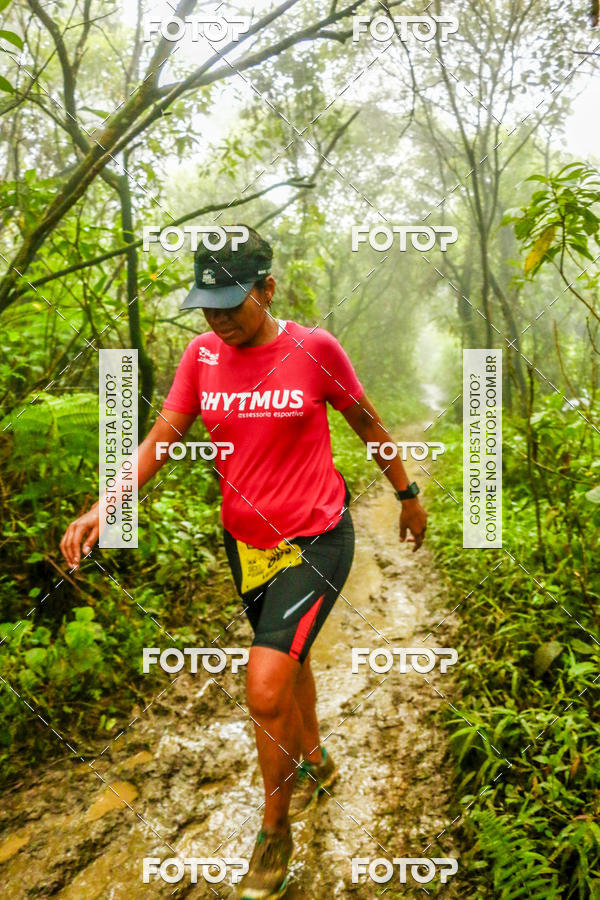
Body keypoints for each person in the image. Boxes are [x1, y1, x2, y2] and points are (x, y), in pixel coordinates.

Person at [59, 225, 427, 900]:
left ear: (268, 289)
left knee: (262, 684)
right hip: (247, 546)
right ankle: (316, 759)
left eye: (232, 302)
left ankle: (274, 831)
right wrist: (103, 507)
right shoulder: (201, 356)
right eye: (208, 304)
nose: (218, 317)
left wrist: (406, 494)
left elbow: (367, 422)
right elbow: (162, 437)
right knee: (289, 659)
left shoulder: (314, 349)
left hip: (317, 538)